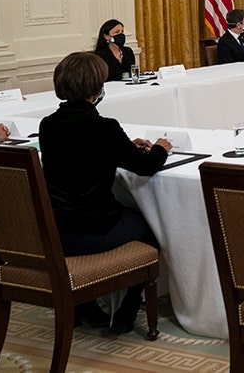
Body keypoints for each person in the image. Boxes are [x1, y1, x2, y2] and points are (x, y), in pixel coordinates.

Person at [39, 52, 172, 334]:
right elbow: (146, 167)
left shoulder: (47, 125)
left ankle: (86, 306)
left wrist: (124, 145)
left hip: (56, 231)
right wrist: (162, 147)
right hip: (93, 229)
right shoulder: (104, 128)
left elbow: (80, 154)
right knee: (152, 227)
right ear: (98, 88)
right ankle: (127, 310)